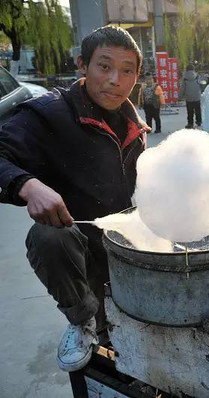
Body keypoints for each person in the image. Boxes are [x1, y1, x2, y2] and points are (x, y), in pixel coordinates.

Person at [0, 26, 148, 372]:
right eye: (104, 66)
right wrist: (27, 184)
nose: (115, 80)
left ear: (137, 76)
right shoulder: (46, 114)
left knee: (138, 354)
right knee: (48, 236)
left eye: (127, 70)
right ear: (83, 65)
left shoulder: (134, 124)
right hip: (80, 252)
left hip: (128, 250)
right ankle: (82, 321)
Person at [179, 64, 203, 128]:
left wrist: (179, 97)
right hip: (197, 97)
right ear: (193, 69)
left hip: (189, 98)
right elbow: (201, 84)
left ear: (186, 70)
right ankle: (199, 121)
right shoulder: (197, 76)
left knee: (190, 111)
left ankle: (190, 123)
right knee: (198, 110)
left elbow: (182, 89)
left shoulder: (185, 79)